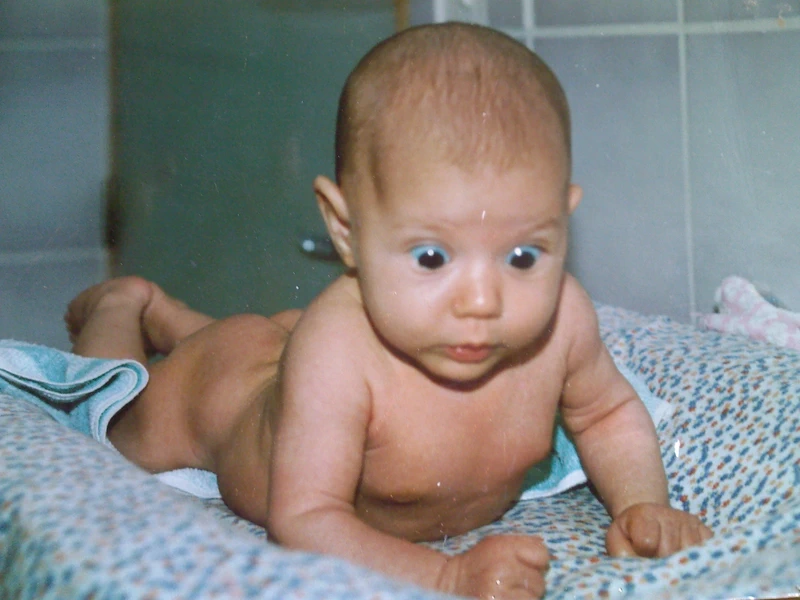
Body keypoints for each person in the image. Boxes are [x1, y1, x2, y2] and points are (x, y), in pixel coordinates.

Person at [65, 23, 712, 600]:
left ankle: (195, 324)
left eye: (522, 256)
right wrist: (446, 578)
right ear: (345, 229)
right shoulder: (339, 349)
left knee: (269, 343)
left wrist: (641, 505)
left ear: (562, 221)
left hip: (291, 364)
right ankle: (129, 304)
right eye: (432, 257)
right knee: (117, 415)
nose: (482, 302)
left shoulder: (562, 321)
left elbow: (606, 413)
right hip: (224, 403)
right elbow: (304, 519)